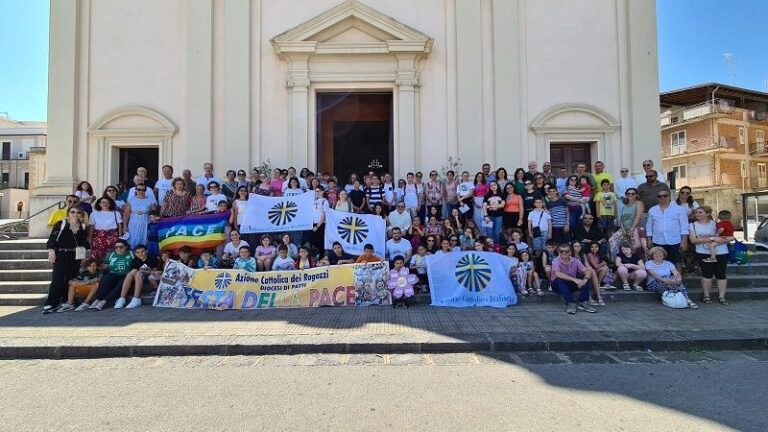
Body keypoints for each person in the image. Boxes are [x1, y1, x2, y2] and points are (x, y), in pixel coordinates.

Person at [43, 206, 89, 313]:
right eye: (72, 212)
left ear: (81, 215)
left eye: (78, 212)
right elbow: (52, 239)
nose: (75, 214)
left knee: (71, 279)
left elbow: (83, 243)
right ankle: (51, 303)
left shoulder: (82, 226)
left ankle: (68, 300)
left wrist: (82, 257)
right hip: (61, 253)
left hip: (75, 255)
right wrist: (52, 252)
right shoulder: (61, 223)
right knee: (57, 278)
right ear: (68, 213)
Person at [689, 207, 734, 305]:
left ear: (708, 213)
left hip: (721, 252)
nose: (697, 214)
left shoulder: (716, 224)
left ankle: (722, 297)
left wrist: (721, 239)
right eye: (696, 212)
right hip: (702, 252)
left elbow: (729, 235)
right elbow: (694, 240)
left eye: (700, 212)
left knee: (721, 274)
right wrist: (713, 238)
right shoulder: (693, 225)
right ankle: (706, 296)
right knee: (707, 274)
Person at [550, 243, 597, 314]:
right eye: (562, 251)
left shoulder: (575, 260)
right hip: (557, 286)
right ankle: (570, 303)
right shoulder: (556, 261)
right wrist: (574, 279)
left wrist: (585, 279)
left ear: (570, 252)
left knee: (584, 278)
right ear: (559, 252)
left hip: (570, 284)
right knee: (560, 279)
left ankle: (583, 302)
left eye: (566, 251)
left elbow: (587, 270)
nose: (564, 253)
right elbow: (558, 274)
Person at [646, 190, 688, 267]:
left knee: (677, 261)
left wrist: (684, 241)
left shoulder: (679, 209)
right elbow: (649, 226)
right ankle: (662, 278)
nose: (662, 197)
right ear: (657, 198)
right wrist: (649, 240)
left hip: (675, 241)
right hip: (658, 241)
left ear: (669, 197)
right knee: (658, 261)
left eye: (665, 195)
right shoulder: (652, 210)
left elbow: (684, 227)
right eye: (660, 196)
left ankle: (677, 278)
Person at [89, 239, 134, 311]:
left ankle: (104, 302)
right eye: (116, 247)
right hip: (114, 273)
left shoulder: (131, 254)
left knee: (120, 284)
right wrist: (104, 266)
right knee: (106, 280)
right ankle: (97, 299)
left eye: (121, 247)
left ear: (126, 247)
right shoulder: (111, 255)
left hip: (126, 274)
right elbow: (104, 264)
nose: (118, 249)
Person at [115, 244, 158, 309]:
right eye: (137, 252)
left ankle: (136, 298)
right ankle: (122, 298)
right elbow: (133, 271)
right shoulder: (136, 260)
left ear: (146, 251)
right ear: (135, 253)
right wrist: (138, 271)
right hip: (139, 278)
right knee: (131, 273)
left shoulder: (152, 258)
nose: (140, 254)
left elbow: (154, 271)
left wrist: (142, 271)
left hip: (151, 278)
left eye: (142, 251)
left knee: (138, 272)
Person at [87, 196, 123, 263]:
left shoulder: (116, 213)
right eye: (103, 202)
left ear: (110, 204)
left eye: (107, 202)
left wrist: (120, 237)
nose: (105, 204)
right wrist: (90, 237)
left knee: (111, 254)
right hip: (98, 237)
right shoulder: (94, 213)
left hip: (112, 237)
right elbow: (91, 227)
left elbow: (120, 226)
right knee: (97, 255)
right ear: (99, 204)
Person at [123, 184, 156, 250]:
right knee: (133, 239)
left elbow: (154, 213)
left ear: (145, 190)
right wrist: (125, 226)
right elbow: (126, 214)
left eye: (143, 190)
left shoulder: (150, 200)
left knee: (144, 238)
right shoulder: (131, 200)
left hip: (146, 223)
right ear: (136, 190)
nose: (141, 191)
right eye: (139, 189)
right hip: (133, 223)